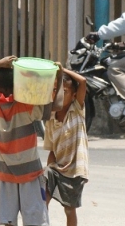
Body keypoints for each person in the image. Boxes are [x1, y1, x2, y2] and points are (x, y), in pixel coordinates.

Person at [0, 56, 64, 226]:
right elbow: (57, 105)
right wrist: (59, 76)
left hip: (5, 171)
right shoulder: (27, 107)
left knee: (7, 219)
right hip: (29, 170)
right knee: (35, 218)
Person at [43, 68, 88, 226]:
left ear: (74, 95)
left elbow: (82, 82)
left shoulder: (76, 110)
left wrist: (61, 70)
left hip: (74, 171)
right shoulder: (51, 117)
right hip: (56, 167)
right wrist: (48, 168)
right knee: (42, 199)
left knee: (69, 210)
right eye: (54, 90)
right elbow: (52, 149)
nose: (58, 95)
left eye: (64, 91)